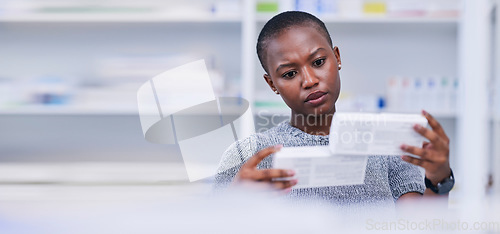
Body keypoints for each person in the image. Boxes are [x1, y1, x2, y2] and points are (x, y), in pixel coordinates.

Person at [214, 11, 452, 207]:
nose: (309, 80)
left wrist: (439, 177)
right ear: (271, 84)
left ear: (336, 57)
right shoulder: (249, 156)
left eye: (318, 62)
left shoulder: (387, 146)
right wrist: (232, 203)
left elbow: (419, 227)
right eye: (289, 74)